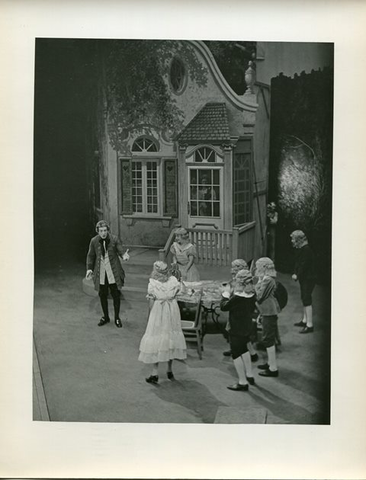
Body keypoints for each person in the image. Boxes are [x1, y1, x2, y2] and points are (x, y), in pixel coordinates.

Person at [138, 261, 187, 384]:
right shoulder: (173, 281)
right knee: (170, 338)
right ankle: (169, 370)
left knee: (157, 338)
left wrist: (150, 316)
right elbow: (180, 292)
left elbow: (151, 302)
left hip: (159, 310)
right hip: (172, 310)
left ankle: (155, 372)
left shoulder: (153, 283)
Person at [86, 220, 130, 328]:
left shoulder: (114, 239)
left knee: (116, 294)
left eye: (105, 230)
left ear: (108, 230)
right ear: (97, 231)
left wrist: (124, 256)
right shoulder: (94, 241)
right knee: (102, 294)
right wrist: (89, 269)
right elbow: (90, 256)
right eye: (101, 231)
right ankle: (105, 316)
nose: (103, 233)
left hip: (113, 271)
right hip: (101, 272)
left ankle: (117, 318)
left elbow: (120, 250)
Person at [220, 269, 257, 391]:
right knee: (244, 349)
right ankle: (250, 375)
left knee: (236, 354)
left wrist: (225, 294)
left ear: (239, 282)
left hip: (236, 329)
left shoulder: (238, 298)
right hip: (247, 327)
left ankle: (242, 382)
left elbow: (224, 307)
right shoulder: (252, 294)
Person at [222, 259, 258, 362]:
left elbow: (237, 294)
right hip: (236, 310)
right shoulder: (236, 279)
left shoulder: (244, 281)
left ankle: (252, 353)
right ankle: (234, 348)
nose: (232, 269)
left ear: (240, 269)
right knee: (232, 331)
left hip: (241, 313)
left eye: (234, 267)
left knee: (240, 335)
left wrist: (227, 293)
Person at [254, 257, 281, 377]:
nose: (256, 268)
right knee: (267, 337)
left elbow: (259, 296)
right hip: (266, 311)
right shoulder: (266, 279)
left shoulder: (267, 280)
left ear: (264, 267)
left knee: (268, 339)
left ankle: (273, 368)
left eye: (258, 266)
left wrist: (257, 283)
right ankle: (270, 363)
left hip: (269, 311)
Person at [290, 230, 316, 334]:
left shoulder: (306, 250)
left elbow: (303, 265)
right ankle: (305, 320)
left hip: (308, 278)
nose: (292, 241)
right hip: (305, 278)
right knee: (304, 298)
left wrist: (297, 274)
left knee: (306, 298)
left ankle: (309, 325)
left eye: (293, 239)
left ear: (299, 240)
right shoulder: (303, 249)